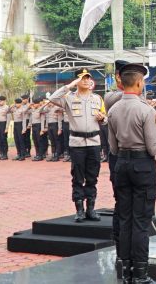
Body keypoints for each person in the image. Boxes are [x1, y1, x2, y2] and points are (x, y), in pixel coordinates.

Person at [108, 62, 156, 284]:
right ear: (140, 83)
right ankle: (140, 275)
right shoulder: (145, 110)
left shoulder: (112, 109)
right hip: (142, 166)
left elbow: (112, 148)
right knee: (141, 221)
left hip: (121, 164)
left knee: (125, 219)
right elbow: (154, 148)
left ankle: (127, 272)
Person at [49, 68, 108, 223]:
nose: (87, 81)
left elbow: (106, 120)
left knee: (92, 177)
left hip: (94, 142)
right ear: (76, 81)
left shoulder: (97, 98)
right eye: (83, 78)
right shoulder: (68, 98)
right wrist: (70, 85)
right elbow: (53, 98)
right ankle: (79, 210)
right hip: (77, 143)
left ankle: (90, 209)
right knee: (77, 177)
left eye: (89, 78)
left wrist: (103, 118)